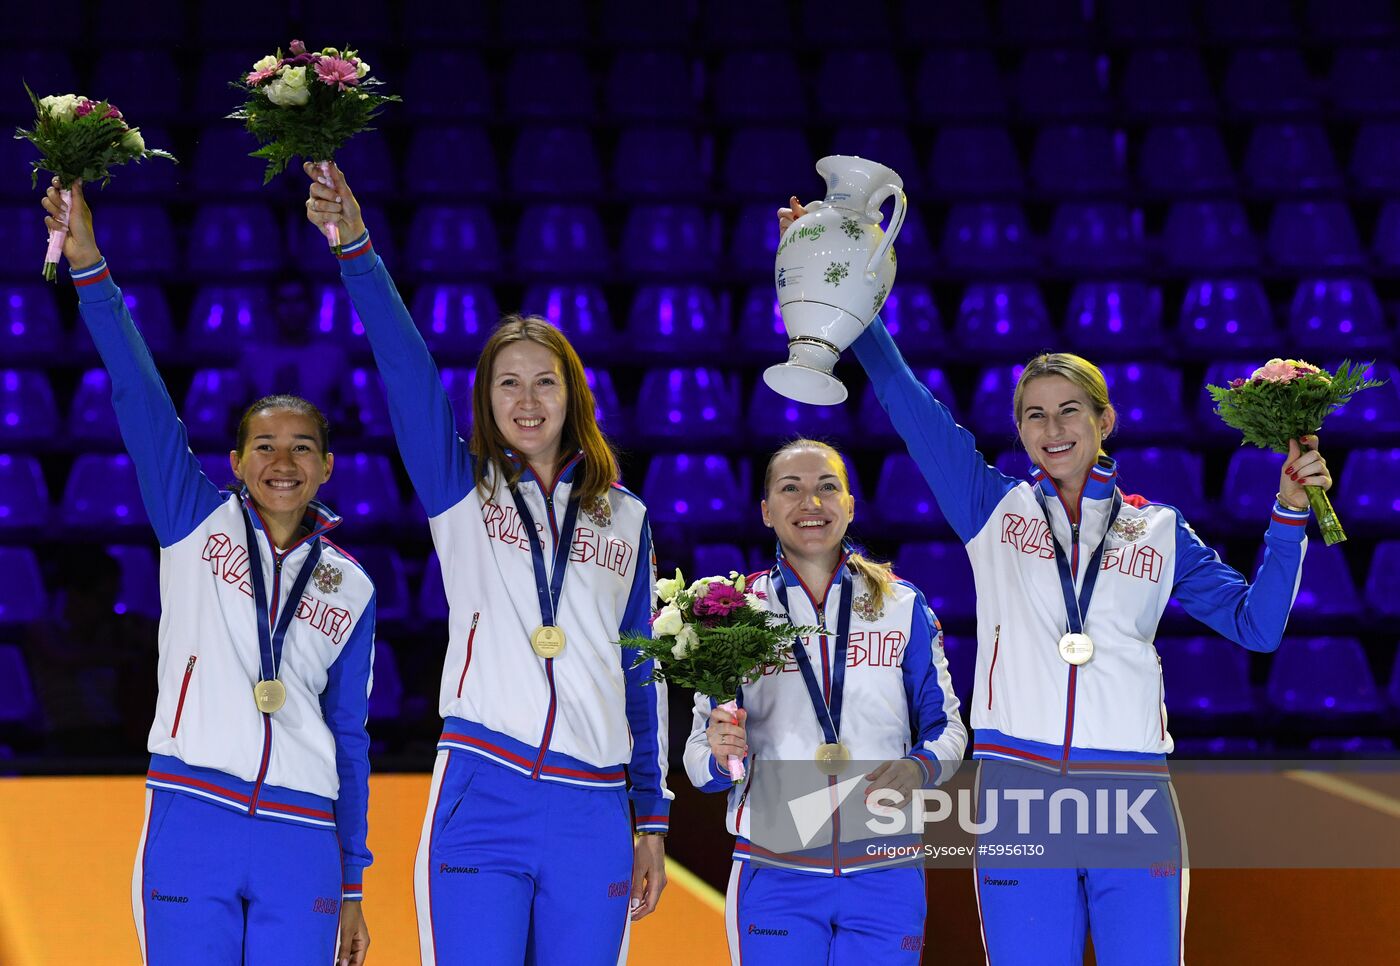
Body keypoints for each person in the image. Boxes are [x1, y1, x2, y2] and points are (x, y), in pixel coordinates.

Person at [777, 198, 1332, 965]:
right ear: (1021, 431)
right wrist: (837, 285)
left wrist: (1289, 513)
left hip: (1132, 797)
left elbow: (1257, 626)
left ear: (1105, 420)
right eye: (1034, 415)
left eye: (1070, 410)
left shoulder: (1158, 530)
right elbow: (908, 401)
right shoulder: (990, 508)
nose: (1053, 428)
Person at [303, 163, 670, 965]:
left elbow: (640, 676)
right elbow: (404, 369)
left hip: (596, 804)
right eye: (508, 384)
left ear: (572, 394)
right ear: (487, 400)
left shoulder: (628, 517)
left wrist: (651, 819)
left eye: (545, 382)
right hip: (483, 789)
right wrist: (356, 248)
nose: (528, 400)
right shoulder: (460, 488)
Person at [44, 179, 376, 966]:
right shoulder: (194, 523)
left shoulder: (352, 585)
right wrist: (91, 266)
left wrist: (355, 881)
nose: (282, 460)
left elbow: (350, 737)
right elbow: (141, 396)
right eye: (263, 445)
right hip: (194, 814)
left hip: (304, 833)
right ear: (234, 463)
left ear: (327, 466)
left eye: (301, 446)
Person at [684, 438, 967, 964]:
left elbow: (947, 729)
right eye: (791, 489)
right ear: (766, 511)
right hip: (774, 870)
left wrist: (920, 767)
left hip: (886, 869)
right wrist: (721, 755)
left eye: (827, 487)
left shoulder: (902, 605)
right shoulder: (733, 610)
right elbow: (700, 761)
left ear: (851, 505)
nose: (810, 503)